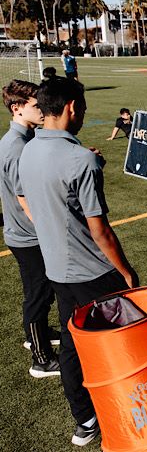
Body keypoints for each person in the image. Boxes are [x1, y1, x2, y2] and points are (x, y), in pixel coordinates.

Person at [19, 77, 139, 447]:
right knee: (123, 344)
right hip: (94, 273)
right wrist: (127, 272)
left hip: (57, 269)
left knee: (72, 345)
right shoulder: (80, 159)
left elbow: (28, 200)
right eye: (82, 108)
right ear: (71, 107)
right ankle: (129, 414)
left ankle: (84, 420)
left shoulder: (28, 150)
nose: (83, 114)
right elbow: (100, 230)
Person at [0, 80, 60, 378]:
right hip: (28, 235)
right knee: (38, 293)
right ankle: (41, 359)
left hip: (23, 232)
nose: (42, 110)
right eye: (36, 106)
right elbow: (27, 202)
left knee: (39, 291)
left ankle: (35, 334)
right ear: (17, 108)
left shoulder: (21, 141)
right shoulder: (16, 148)